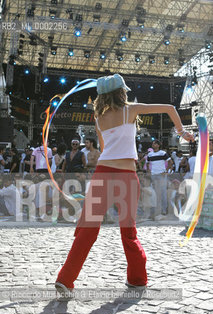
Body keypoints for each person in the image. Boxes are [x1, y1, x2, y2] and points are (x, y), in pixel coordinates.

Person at [55, 73, 194, 295]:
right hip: (126, 177)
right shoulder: (131, 110)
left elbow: (103, 149)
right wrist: (182, 132)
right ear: (121, 92)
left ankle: (65, 278)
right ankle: (137, 280)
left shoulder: (99, 119)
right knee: (128, 233)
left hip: (102, 174)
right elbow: (169, 107)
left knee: (87, 230)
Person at [147, 140, 169, 219]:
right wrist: (149, 171)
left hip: (161, 175)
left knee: (163, 192)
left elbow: (170, 162)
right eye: (153, 143)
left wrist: (166, 171)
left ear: (159, 145)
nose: (153, 144)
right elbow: (147, 163)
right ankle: (154, 211)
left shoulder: (163, 153)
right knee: (154, 193)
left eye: (155, 143)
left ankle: (164, 210)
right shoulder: (150, 154)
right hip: (153, 175)